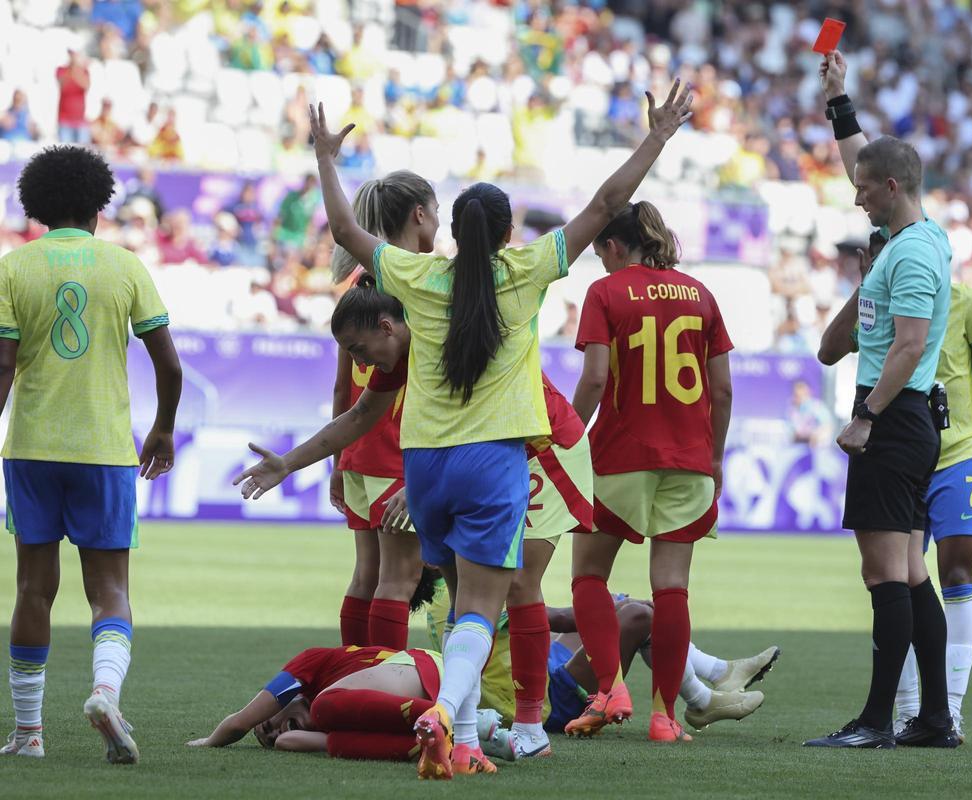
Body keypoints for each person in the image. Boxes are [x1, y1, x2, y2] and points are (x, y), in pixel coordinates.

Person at [239, 84, 691, 779]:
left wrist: (326, 158)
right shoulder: (528, 270)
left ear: (450, 228)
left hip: (423, 469)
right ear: (508, 234)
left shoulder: (417, 278)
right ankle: (447, 714)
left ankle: (472, 737)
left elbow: (346, 233)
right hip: (492, 466)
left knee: (457, 610)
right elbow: (605, 205)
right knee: (483, 609)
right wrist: (655, 139)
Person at [0, 146, 182, 762]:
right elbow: (169, 365)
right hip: (104, 451)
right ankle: (105, 693)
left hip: (31, 449)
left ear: (37, 208)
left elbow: (2, 367)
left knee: (32, 589)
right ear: (99, 206)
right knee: (109, 591)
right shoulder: (124, 265)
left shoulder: (13, 268)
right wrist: (162, 430)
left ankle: (28, 734)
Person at [807, 50, 955, 749]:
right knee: (911, 573)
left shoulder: (913, 253)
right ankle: (934, 718)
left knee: (883, 572)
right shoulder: (910, 235)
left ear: (892, 189)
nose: (857, 197)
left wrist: (865, 416)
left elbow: (909, 345)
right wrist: (839, 102)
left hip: (892, 418)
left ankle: (875, 722)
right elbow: (865, 161)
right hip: (908, 418)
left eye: (866, 192)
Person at [832, 233, 972, 741]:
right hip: (906, 449)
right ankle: (910, 712)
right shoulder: (876, 306)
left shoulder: (967, 302)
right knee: (900, 576)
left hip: (957, 451)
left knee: (953, 570)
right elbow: (828, 349)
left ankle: (949, 709)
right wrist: (864, 288)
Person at [567, 199, 734, 744]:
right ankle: (664, 718)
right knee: (672, 590)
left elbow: (594, 380)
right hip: (689, 461)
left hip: (620, 456)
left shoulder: (606, 292)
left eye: (602, 253)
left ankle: (610, 689)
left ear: (614, 246)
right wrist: (715, 457)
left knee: (589, 576)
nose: (602, 262)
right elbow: (722, 390)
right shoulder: (700, 294)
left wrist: (567, 438)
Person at [422, 576, 777, 757]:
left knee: (617, 613)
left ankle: (714, 682)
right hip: (543, 698)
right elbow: (556, 618)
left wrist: (607, 607)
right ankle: (705, 692)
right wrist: (610, 607)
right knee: (637, 616)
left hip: (533, 669)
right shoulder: (469, 586)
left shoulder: (448, 591)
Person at [327, 171, 441, 652]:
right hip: (400, 450)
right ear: (419, 214)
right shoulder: (420, 282)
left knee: (367, 574)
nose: (439, 222)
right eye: (437, 211)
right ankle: (380, 679)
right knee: (401, 577)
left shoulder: (360, 281)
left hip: (359, 450)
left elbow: (342, 385)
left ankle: (351, 671)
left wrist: (339, 461)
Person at [188, 569, 440, 755]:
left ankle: (445, 718)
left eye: (267, 723)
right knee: (334, 724)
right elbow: (290, 740)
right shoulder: (332, 721)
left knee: (324, 706)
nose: (276, 732)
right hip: (422, 682)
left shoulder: (311, 667)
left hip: (419, 668)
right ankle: (446, 738)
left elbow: (240, 723)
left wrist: (209, 742)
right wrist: (286, 741)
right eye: (271, 738)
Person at [789, 379, 833, 446]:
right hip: (798, 445)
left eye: (803, 394)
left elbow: (828, 428)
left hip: (816, 445)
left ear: (808, 393)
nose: (800, 398)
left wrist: (815, 436)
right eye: (796, 395)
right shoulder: (792, 410)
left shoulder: (817, 407)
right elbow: (791, 432)